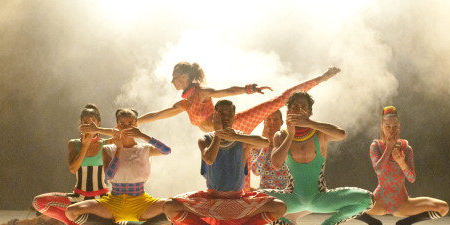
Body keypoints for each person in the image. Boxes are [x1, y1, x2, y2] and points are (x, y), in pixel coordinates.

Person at [80, 63, 341, 190]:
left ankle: (320, 79)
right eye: (173, 78)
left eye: (176, 78)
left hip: (234, 124)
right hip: (219, 136)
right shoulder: (184, 104)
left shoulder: (202, 93)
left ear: (186, 78)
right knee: (239, 168)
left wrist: (249, 89)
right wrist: (133, 122)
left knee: (277, 102)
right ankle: (242, 199)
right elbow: (157, 114)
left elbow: (226, 90)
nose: (173, 81)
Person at [163, 100, 287, 225]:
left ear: (234, 116)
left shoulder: (241, 138)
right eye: (221, 113)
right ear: (215, 115)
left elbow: (264, 142)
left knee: (279, 207)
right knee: (169, 206)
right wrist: (218, 135)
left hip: (238, 202)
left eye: (229, 113)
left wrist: (235, 137)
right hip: (212, 201)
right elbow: (209, 158)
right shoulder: (205, 139)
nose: (225, 117)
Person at [261, 92, 374, 225]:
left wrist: (310, 123)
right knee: (249, 201)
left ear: (309, 112)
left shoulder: (319, 132)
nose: (299, 110)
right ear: (288, 112)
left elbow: (341, 134)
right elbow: (276, 163)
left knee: (368, 199)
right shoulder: (281, 135)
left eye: (304, 107)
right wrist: (291, 135)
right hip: (292, 198)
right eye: (295, 107)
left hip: (320, 198)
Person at [65, 109, 172, 225]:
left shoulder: (145, 148)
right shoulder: (108, 149)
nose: (126, 127)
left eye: (130, 123)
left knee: (176, 207)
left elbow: (167, 151)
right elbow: (109, 176)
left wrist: (143, 136)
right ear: (116, 126)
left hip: (141, 202)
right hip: (113, 203)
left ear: (136, 125)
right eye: (122, 123)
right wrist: (119, 150)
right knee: (71, 212)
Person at [355, 106, 449, 225]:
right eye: (388, 127)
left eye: (395, 127)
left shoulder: (406, 148)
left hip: (401, 202)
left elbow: (411, 179)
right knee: (340, 204)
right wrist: (387, 149)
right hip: (379, 201)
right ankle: (373, 223)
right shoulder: (376, 146)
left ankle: (405, 223)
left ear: (399, 127)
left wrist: (402, 162)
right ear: (382, 127)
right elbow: (379, 170)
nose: (391, 130)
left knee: (443, 208)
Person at [32, 104, 123, 225]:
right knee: (37, 202)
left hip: (102, 199)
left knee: (129, 207)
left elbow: (120, 133)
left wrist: (97, 130)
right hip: (78, 198)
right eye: (85, 122)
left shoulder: (106, 143)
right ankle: (71, 223)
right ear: (80, 124)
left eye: (92, 122)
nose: (88, 125)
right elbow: (73, 168)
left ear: (98, 123)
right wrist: (85, 144)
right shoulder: (73, 144)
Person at [250, 110, 309, 225]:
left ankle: (290, 222)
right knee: (250, 197)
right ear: (263, 123)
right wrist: (266, 145)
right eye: (268, 120)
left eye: (275, 120)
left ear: (282, 123)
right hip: (268, 195)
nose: (271, 123)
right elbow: (256, 170)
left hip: (290, 193)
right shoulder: (255, 145)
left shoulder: (289, 140)